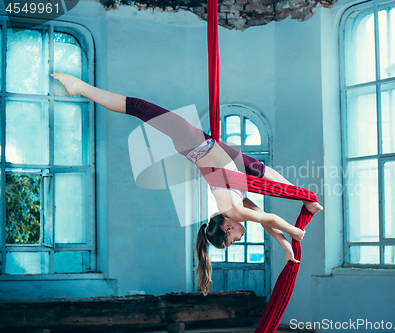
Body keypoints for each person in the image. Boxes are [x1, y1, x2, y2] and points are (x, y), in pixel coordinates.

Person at [51, 72, 323, 295]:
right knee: (265, 172)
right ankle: (304, 196)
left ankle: (80, 88)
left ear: (227, 228)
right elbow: (266, 220)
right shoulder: (239, 208)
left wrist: (295, 233)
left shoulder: (235, 211)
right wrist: (286, 247)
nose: (240, 239)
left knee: (136, 106)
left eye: (233, 241)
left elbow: (273, 218)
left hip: (195, 143)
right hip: (225, 158)